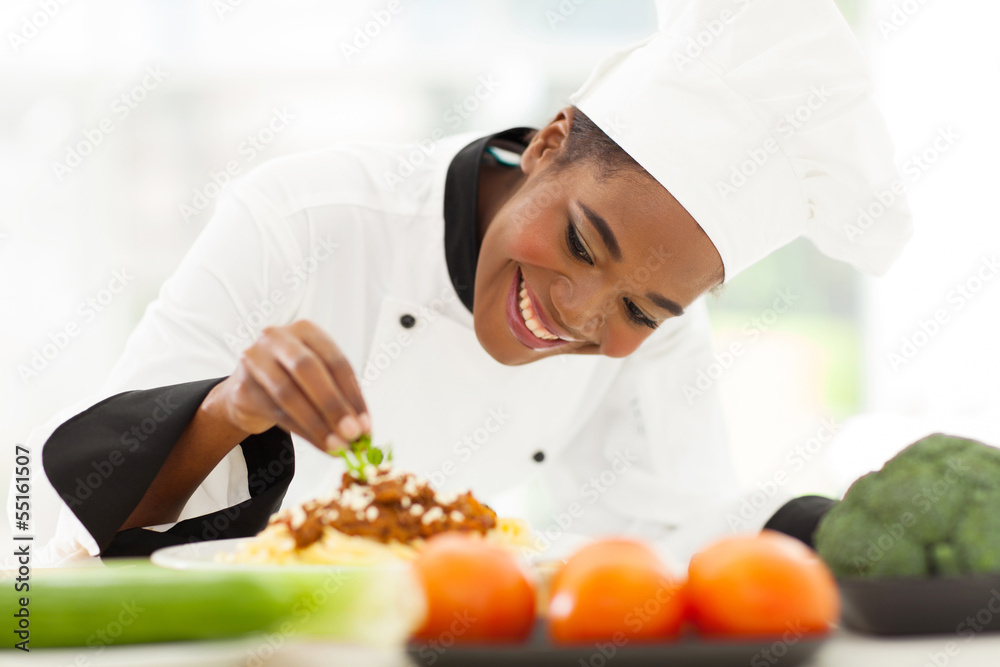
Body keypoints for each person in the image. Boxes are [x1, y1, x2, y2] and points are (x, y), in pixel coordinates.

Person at [23, 0, 911, 565]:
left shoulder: (653, 328)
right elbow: (86, 528)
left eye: (641, 307)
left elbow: (667, 534)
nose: (577, 313)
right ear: (551, 141)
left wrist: (847, 528)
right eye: (581, 241)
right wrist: (227, 409)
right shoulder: (303, 217)